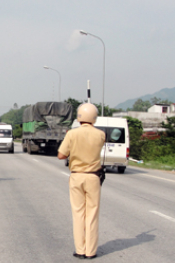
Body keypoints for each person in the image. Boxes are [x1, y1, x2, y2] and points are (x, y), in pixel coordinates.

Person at [57, 103, 105, 259]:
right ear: (94, 118)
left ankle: (80, 250)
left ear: (79, 117)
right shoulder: (101, 134)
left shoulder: (72, 134)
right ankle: (91, 251)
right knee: (92, 214)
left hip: (77, 175)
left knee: (78, 214)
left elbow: (61, 155)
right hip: (93, 177)